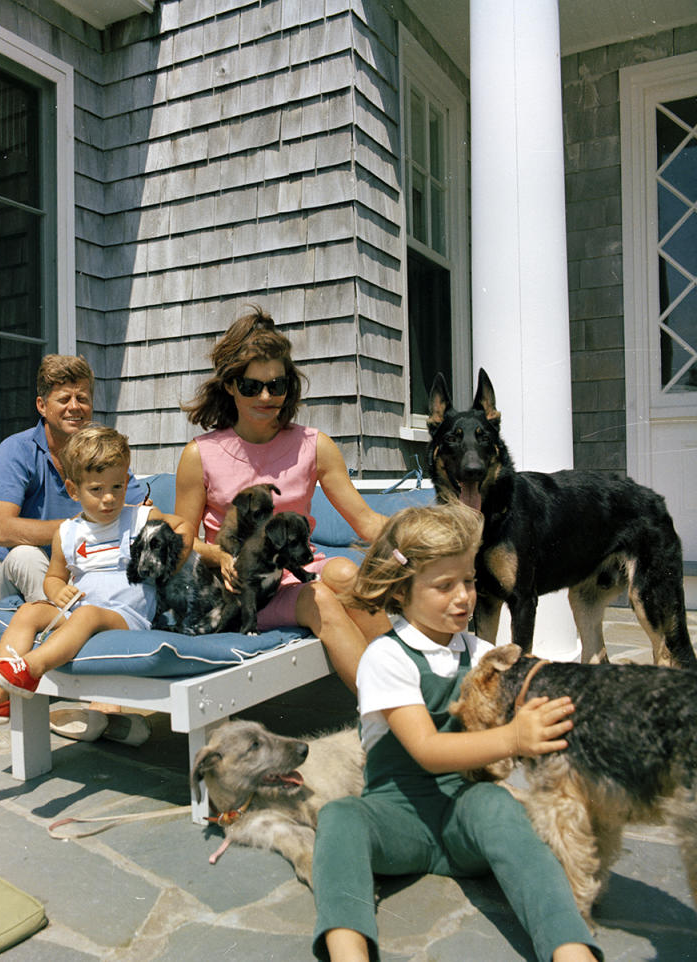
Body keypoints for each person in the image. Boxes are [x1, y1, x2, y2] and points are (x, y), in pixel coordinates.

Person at [311, 502, 601, 962]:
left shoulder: (480, 650)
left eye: (468, 580)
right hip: (398, 820)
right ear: (400, 593)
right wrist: (513, 739)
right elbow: (426, 749)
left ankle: (569, 948)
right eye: (444, 586)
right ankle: (349, 952)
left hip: (466, 817)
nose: (464, 597)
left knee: (498, 804)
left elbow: (531, 687)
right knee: (340, 818)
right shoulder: (386, 658)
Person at [174, 305, 389, 691]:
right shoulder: (199, 455)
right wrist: (221, 556)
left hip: (300, 573)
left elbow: (367, 522)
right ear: (230, 385)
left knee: (345, 573)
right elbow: (183, 539)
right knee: (320, 597)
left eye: (278, 384)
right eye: (252, 386)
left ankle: (414, 689)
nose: (267, 396)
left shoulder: (315, 446)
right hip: (243, 590)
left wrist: (429, 543)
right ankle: (391, 715)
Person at [0, 425, 193, 742]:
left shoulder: (139, 518)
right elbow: (54, 577)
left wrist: (173, 558)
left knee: (88, 614)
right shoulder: (68, 533)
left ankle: (29, 669)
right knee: (29, 611)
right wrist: (57, 590)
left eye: (117, 486)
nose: (109, 498)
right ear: (73, 490)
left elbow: (182, 526)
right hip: (81, 611)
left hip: (128, 616)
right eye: (96, 489)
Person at [0, 354, 146, 604]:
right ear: (42, 405)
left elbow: (138, 513)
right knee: (27, 556)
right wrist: (82, 526)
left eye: (82, 398)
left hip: (81, 569)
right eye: (63, 399)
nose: (74, 407)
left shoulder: (101, 452)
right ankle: (61, 629)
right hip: (12, 574)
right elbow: (1, 530)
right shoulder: (17, 449)